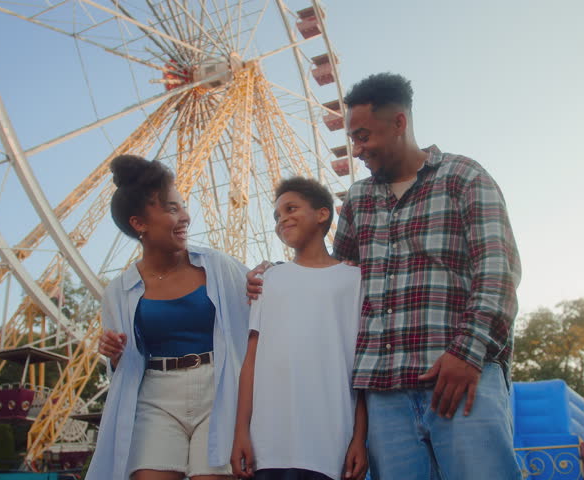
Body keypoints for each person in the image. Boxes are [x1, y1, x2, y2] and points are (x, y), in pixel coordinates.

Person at [246, 73, 522, 480]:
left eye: (363, 136)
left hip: (458, 378)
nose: (357, 150)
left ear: (399, 123)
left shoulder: (464, 177)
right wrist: (276, 274)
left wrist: (469, 352)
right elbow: (336, 282)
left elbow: (498, 271)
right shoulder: (359, 199)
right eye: (352, 140)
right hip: (383, 393)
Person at [87, 154, 250, 480]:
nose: (186, 217)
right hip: (155, 397)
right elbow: (123, 369)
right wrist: (114, 354)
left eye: (183, 206)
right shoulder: (118, 291)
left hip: (217, 389)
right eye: (172, 209)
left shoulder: (219, 267)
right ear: (139, 223)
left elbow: (259, 315)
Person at [231, 177, 368, 480]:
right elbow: (251, 361)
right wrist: (241, 430)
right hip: (268, 440)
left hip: (331, 436)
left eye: (291, 208)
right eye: (277, 215)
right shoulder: (268, 280)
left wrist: (360, 437)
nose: (282, 219)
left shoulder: (355, 280)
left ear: (322, 214)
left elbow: (361, 367)